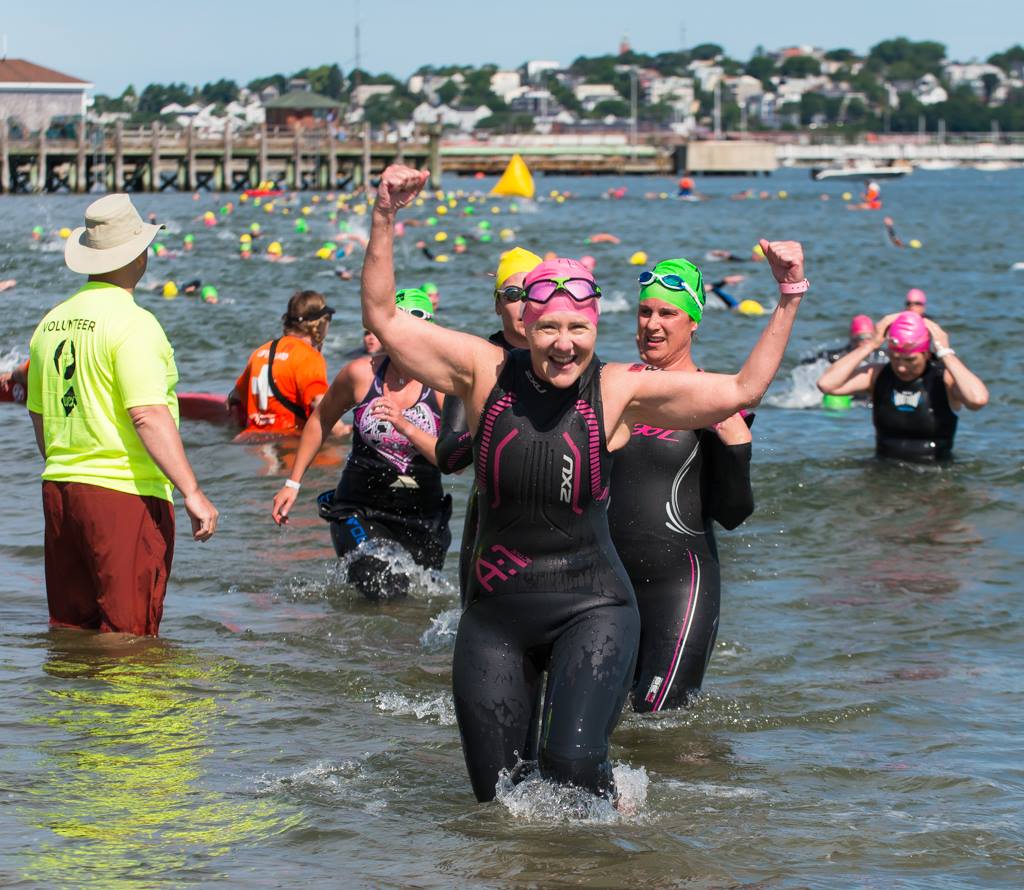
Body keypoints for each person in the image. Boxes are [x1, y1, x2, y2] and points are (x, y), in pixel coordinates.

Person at [358, 164, 808, 805]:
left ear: (596, 327)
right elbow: (382, 313)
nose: (563, 345)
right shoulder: (484, 371)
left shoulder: (620, 389)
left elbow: (742, 389)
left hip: (591, 607)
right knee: (497, 801)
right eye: (549, 328)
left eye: (579, 329)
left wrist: (789, 295)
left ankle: (610, 838)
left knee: (570, 772)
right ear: (526, 327)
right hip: (496, 614)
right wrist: (384, 215)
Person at [26, 193, 218, 637]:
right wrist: (191, 491)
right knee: (130, 637)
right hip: (123, 492)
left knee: (71, 630)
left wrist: (67, 465)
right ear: (137, 254)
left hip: (60, 490)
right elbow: (148, 414)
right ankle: (134, 709)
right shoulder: (134, 323)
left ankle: (75, 707)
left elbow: (39, 415)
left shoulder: (50, 323)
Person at [608, 258, 754, 713]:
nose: (652, 324)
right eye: (645, 312)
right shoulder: (614, 387)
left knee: (658, 720)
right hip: (606, 581)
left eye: (666, 314)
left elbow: (732, 513)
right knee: (594, 719)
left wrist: (736, 446)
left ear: (693, 321)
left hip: (679, 586)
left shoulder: (715, 397)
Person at [271, 288, 451, 600]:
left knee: (419, 605)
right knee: (382, 585)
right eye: (395, 332)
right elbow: (320, 420)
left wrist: (405, 425)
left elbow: (453, 461)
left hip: (423, 517)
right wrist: (292, 482)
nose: (404, 342)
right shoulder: (360, 374)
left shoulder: (445, 387)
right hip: (360, 509)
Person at [435, 246, 540, 602]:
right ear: (497, 305)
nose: (524, 304)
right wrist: (492, 420)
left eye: (533, 292)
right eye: (512, 295)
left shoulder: (572, 361)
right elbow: (448, 458)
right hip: (491, 532)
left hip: (563, 535)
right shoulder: (475, 366)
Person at [817, 311, 988, 462]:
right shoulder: (877, 376)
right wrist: (871, 345)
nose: (901, 367)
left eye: (910, 360)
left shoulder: (944, 379)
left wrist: (945, 352)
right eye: (895, 357)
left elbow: (977, 400)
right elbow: (827, 384)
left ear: (927, 353)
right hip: (884, 469)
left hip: (933, 472)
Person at [228, 290, 337, 437]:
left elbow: (234, 399)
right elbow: (319, 402)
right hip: (290, 442)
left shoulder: (260, 352)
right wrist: (342, 431)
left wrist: (238, 427)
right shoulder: (309, 357)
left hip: (252, 442)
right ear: (318, 325)